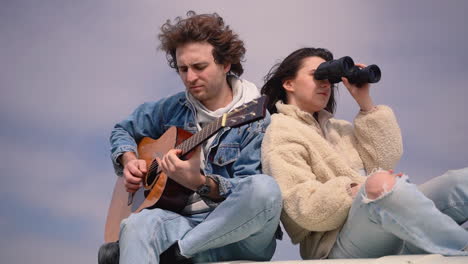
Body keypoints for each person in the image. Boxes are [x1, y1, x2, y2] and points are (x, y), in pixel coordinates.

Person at [104, 11, 282, 264]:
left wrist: (198, 181)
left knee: (265, 189)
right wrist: (129, 160)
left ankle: (179, 255)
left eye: (199, 67)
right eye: (182, 69)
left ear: (225, 64)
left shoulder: (253, 118)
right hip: (185, 223)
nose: (190, 78)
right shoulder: (170, 108)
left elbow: (249, 192)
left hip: (239, 236)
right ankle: (184, 252)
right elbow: (122, 129)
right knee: (137, 224)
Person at [260, 47, 468, 259]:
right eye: (317, 75)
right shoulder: (280, 131)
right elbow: (303, 208)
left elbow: (385, 159)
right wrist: (354, 189)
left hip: (382, 224)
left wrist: (364, 101)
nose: (325, 84)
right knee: (380, 185)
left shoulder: (339, 128)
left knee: (460, 182)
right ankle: (462, 249)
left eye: (329, 77)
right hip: (335, 245)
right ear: (289, 84)